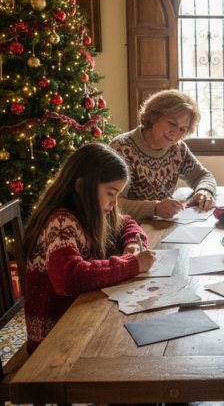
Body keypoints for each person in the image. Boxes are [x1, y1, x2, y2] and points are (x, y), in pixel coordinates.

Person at [21, 143, 156, 353]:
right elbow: (69, 278)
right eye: (111, 193)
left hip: (80, 315)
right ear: (81, 186)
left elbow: (126, 222)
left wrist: (131, 242)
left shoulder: (91, 208)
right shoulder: (60, 222)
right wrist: (132, 265)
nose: (114, 202)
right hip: (56, 339)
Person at [110, 90, 217, 220]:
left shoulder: (178, 149)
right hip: (127, 230)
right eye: (172, 123)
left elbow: (203, 176)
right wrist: (154, 208)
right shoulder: (122, 148)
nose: (175, 134)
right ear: (154, 117)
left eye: (183, 129)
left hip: (161, 226)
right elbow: (113, 202)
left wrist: (205, 191)